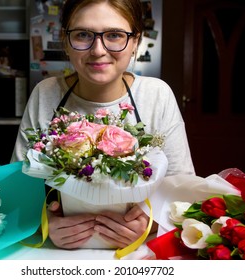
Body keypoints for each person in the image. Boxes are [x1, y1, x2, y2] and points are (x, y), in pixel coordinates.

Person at [11, 0, 195, 250]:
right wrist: (45, 221)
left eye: (115, 35)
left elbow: (183, 191)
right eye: (83, 34)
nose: (98, 50)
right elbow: (17, 190)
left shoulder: (156, 95)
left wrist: (149, 224)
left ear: (135, 41)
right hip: (60, 258)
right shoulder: (46, 93)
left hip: (137, 256)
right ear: (65, 41)